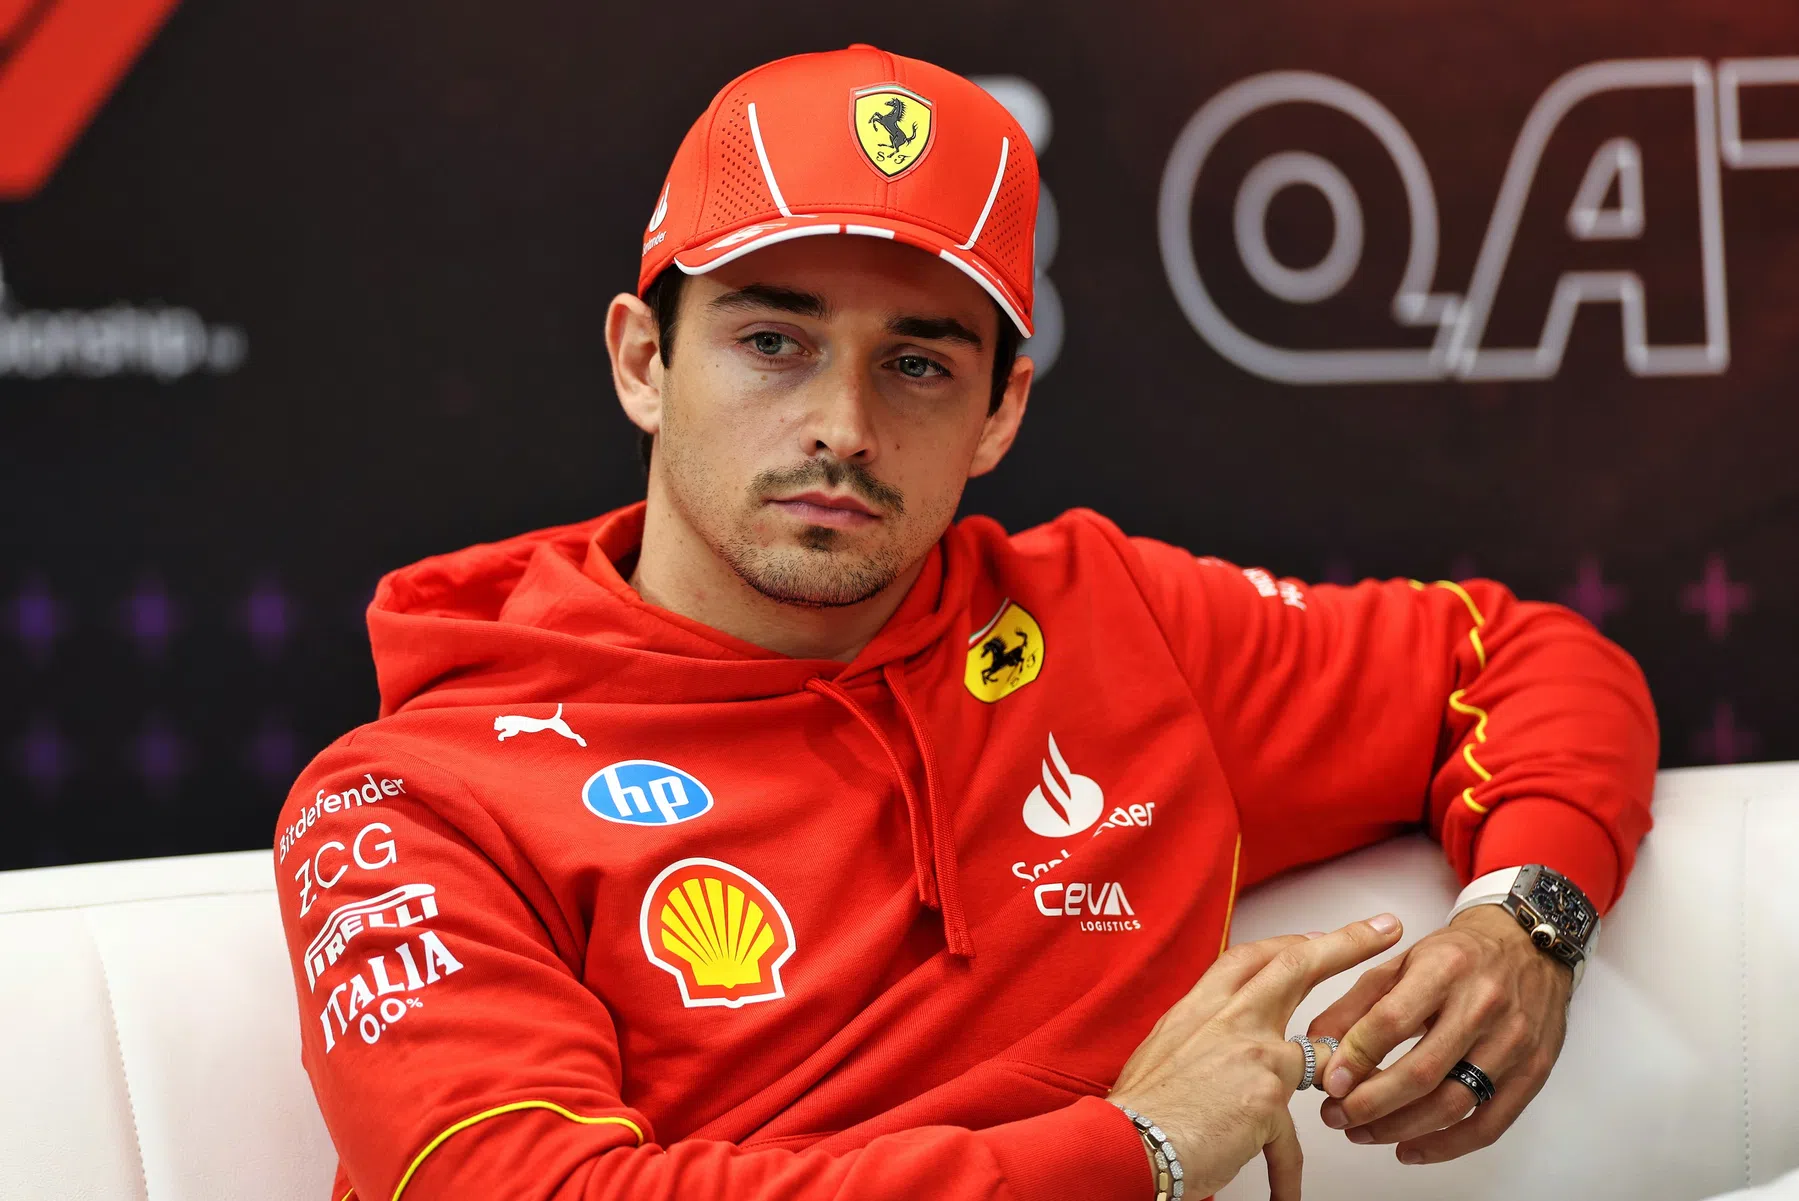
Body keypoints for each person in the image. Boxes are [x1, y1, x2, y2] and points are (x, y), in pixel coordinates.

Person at [273, 44, 1657, 1201]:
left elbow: (1522, 659)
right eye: (774, 340)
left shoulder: (1116, 623)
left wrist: (1520, 924)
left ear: (1000, 412)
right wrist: (1136, 1148)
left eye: (919, 364)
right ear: (644, 361)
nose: (842, 427)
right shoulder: (411, 802)